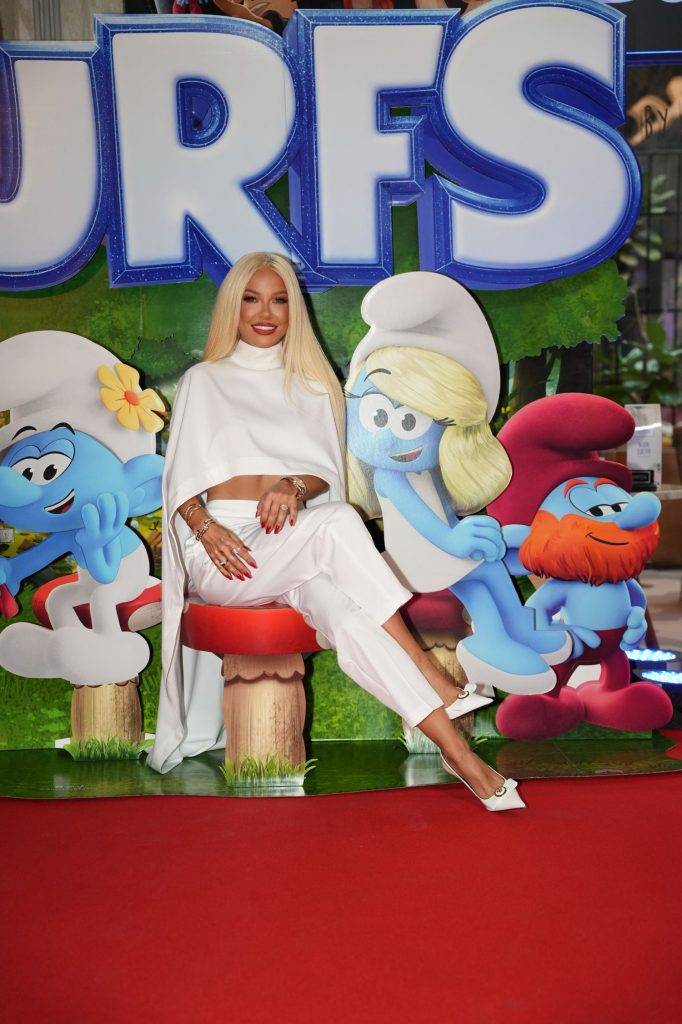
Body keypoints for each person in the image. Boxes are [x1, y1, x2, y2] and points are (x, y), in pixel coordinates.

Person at [146, 251, 524, 810]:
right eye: (252, 299)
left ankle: (460, 756)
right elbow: (178, 480)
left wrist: (293, 486)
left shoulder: (312, 385)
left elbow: (324, 473)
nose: (265, 312)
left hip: (294, 539)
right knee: (340, 524)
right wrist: (205, 529)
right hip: (227, 554)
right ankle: (426, 668)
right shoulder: (205, 381)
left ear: (294, 309)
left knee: (351, 620)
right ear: (232, 307)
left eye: (279, 300)